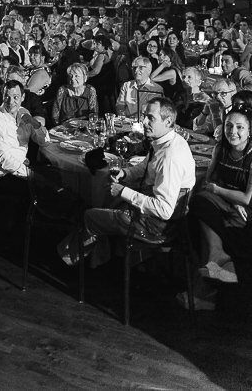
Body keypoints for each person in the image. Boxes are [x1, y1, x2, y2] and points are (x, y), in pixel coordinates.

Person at [59, 96, 195, 267]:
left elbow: (164, 210)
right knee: (109, 199)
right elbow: (145, 167)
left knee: (91, 215)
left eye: (150, 118)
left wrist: (123, 191)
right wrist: (125, 174)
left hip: (155, 226)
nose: (144, 122)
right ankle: (104, 261)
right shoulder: (168, 140)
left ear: (168, 121)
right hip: (155, 214)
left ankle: (70, 261)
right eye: (144, 116)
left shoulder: (170, 157)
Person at [185, 101, 252, 309]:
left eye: (240, 127)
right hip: (226, 204)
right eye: (229, 126)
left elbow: (246, 199)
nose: (233, 131)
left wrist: (221, 192)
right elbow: (208, 181)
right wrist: (230, 198)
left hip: (245, 212)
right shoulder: (220, 149)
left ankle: (204, 294)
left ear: (250, 131)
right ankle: (216, 260)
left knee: (204, 211)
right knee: (198, 203)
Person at [0, 78, 49, 177]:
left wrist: (36, 124)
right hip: (8, 174)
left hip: (24, 165)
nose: (11, 102)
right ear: (2, 97)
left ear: (23, 97)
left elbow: (44, 142)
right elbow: (4, 160)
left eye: (15, 97)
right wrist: (30, 174)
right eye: (7, 97)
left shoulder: (23, 112)